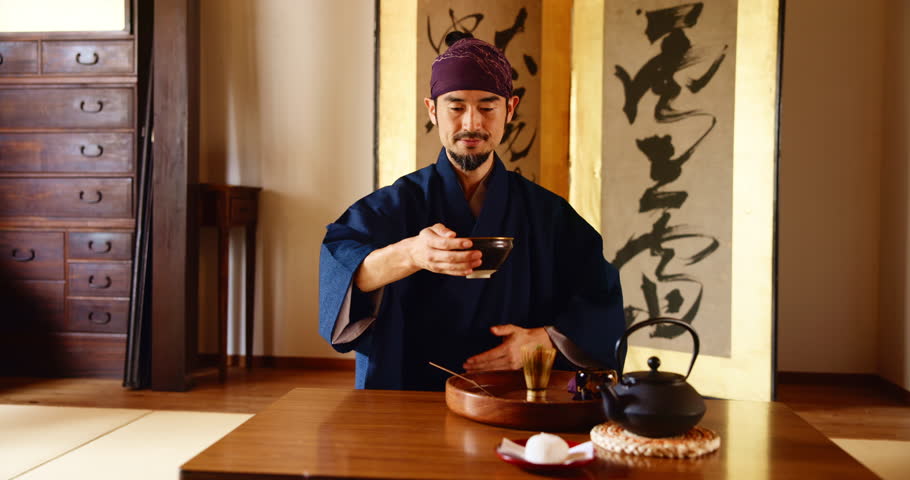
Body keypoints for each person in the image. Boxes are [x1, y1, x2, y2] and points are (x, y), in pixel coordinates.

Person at [319, 32, 625, 390]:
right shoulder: (398, 204)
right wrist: (411, 253)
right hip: (409, 392)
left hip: (517, 395)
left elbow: (601, 300)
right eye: (456, 106)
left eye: (487, 106)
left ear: (509, 109)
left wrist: (548, 339)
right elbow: (340, 262)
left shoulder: (548, 215)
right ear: (432, 110)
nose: (471, 124)